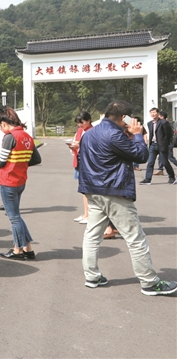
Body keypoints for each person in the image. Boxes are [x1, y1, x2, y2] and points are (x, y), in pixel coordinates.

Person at [78, 101, 177, 295]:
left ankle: (92, 276)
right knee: (135, 238)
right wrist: (138, 135)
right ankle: (149, 282)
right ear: (125, 117)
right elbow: (141, 155)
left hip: (92, 189)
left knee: (92, 235)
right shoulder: (114, 134)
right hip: (114, 190)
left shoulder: (89, 133)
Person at [0, 114, 41, 260]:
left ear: (4, 124)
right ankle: (28, 248)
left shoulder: (10, 137)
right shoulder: (27, 136)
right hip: (20, 180)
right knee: (17, 216)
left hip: (8, 180)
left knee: (14, 218)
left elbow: (1, 161)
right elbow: (37, 159)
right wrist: (21, 163)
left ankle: (18, 250)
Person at [68, 112, 93, 224]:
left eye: (82, 122)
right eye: (78, 123)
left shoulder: (92, 131)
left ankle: (89, 215)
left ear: (88, 120)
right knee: (84, 191)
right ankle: (86, 214)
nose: (80, 125)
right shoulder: (79, 131)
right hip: (79, 161)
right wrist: (73, 146)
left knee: (88, 191)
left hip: (88, 163)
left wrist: (80, 146)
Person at [140, 107, 175, 185]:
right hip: (153, 145)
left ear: (158, 113)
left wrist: (166, 143)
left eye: (154, 112)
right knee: (150, 163)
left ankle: (172, 177)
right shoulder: (149, 123)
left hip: (162, 145)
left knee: (165, 162)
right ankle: (147, 179)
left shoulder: (163, 122)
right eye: (151, 112)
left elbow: (169, 134)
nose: (153, 114)